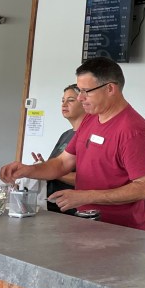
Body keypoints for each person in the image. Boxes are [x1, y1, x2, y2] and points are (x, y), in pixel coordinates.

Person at [1, 57, 145, 230]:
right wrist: (28, 170)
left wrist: (86, 196)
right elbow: (63, 163)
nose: (80, 98)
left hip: (121, 230)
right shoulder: (90, 119)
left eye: (86, 91)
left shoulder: (132, 130)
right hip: (85, 224)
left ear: (110, 89)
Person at [31, 84, 84, 212]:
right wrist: (43, 165)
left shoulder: (90, 137)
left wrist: (52, 171)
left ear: (85, 103)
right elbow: (57, 165)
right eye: (62, 100)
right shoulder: (66, 135)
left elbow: (89, 179)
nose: (64, 104)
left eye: (70, 100)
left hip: (71, 209)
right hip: (50, 205)